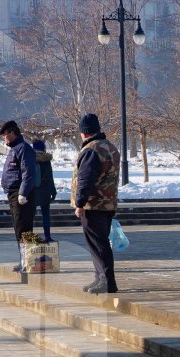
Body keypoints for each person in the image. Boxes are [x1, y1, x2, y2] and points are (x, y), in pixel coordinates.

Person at [71, 113, 120, 294]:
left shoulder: (91, 150)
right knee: (99, 242)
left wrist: (79, 203)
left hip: (94, 204)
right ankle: (100, 278)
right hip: (108, 203)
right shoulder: (110, 147)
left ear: (84, 132)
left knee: (98, 244)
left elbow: (85, 179)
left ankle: (107, 281)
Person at [0, 120, 37, 272]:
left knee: (24, 228)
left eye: (5, 134)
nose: (4, 138)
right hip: (13, 193)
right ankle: (24, 260)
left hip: (22, 194)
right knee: (19, 228)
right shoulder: (15, 149)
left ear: (13, 132)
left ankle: (28, 261)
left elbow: (28, 173)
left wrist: (23, 193)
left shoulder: (24, 149)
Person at [32, 139, 58, 242]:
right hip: (45, 190)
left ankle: (29, 236)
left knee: (30, 215)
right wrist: (53, 191)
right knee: (46, 214)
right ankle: (47, 236)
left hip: (32, 191)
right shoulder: (46, 160)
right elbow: (50, 177)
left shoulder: (29, 158)